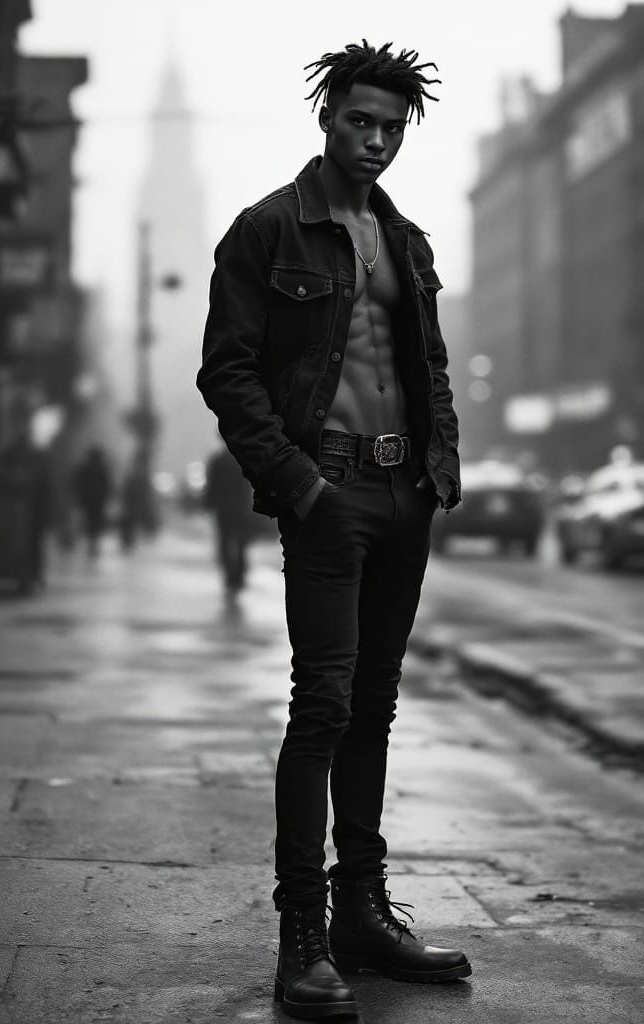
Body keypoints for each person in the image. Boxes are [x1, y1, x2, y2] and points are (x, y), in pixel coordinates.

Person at [197, 40, 467, 1019]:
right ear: (326, 118)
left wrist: (440, 466)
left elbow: (427, 364)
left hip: (403, 494)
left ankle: (362, 912)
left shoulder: (407, 241)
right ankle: (301, 937)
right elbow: (227, 370)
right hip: (329, 491)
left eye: (392, 127)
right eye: (360, 121)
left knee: (374, 709)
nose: (376, 141)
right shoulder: (269, 229)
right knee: (323, 706)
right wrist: (296, 480)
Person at [203, 441, 256, 593]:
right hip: (241, 507)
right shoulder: (243, 458)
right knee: (241, 541)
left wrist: (209, 503)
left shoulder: (218, 460)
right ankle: (239, 574)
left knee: (225, 540)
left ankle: (230, 574)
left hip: (224, 508)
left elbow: (212, 484)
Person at [71, 445, 112, 559]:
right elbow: (78, 483)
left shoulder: (98, 470)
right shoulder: (92, 470)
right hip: (91, 501)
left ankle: (92, 543)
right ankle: (91, 543)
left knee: (93, 522)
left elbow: (106, 486)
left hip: (94, 501)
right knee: (92, 522)